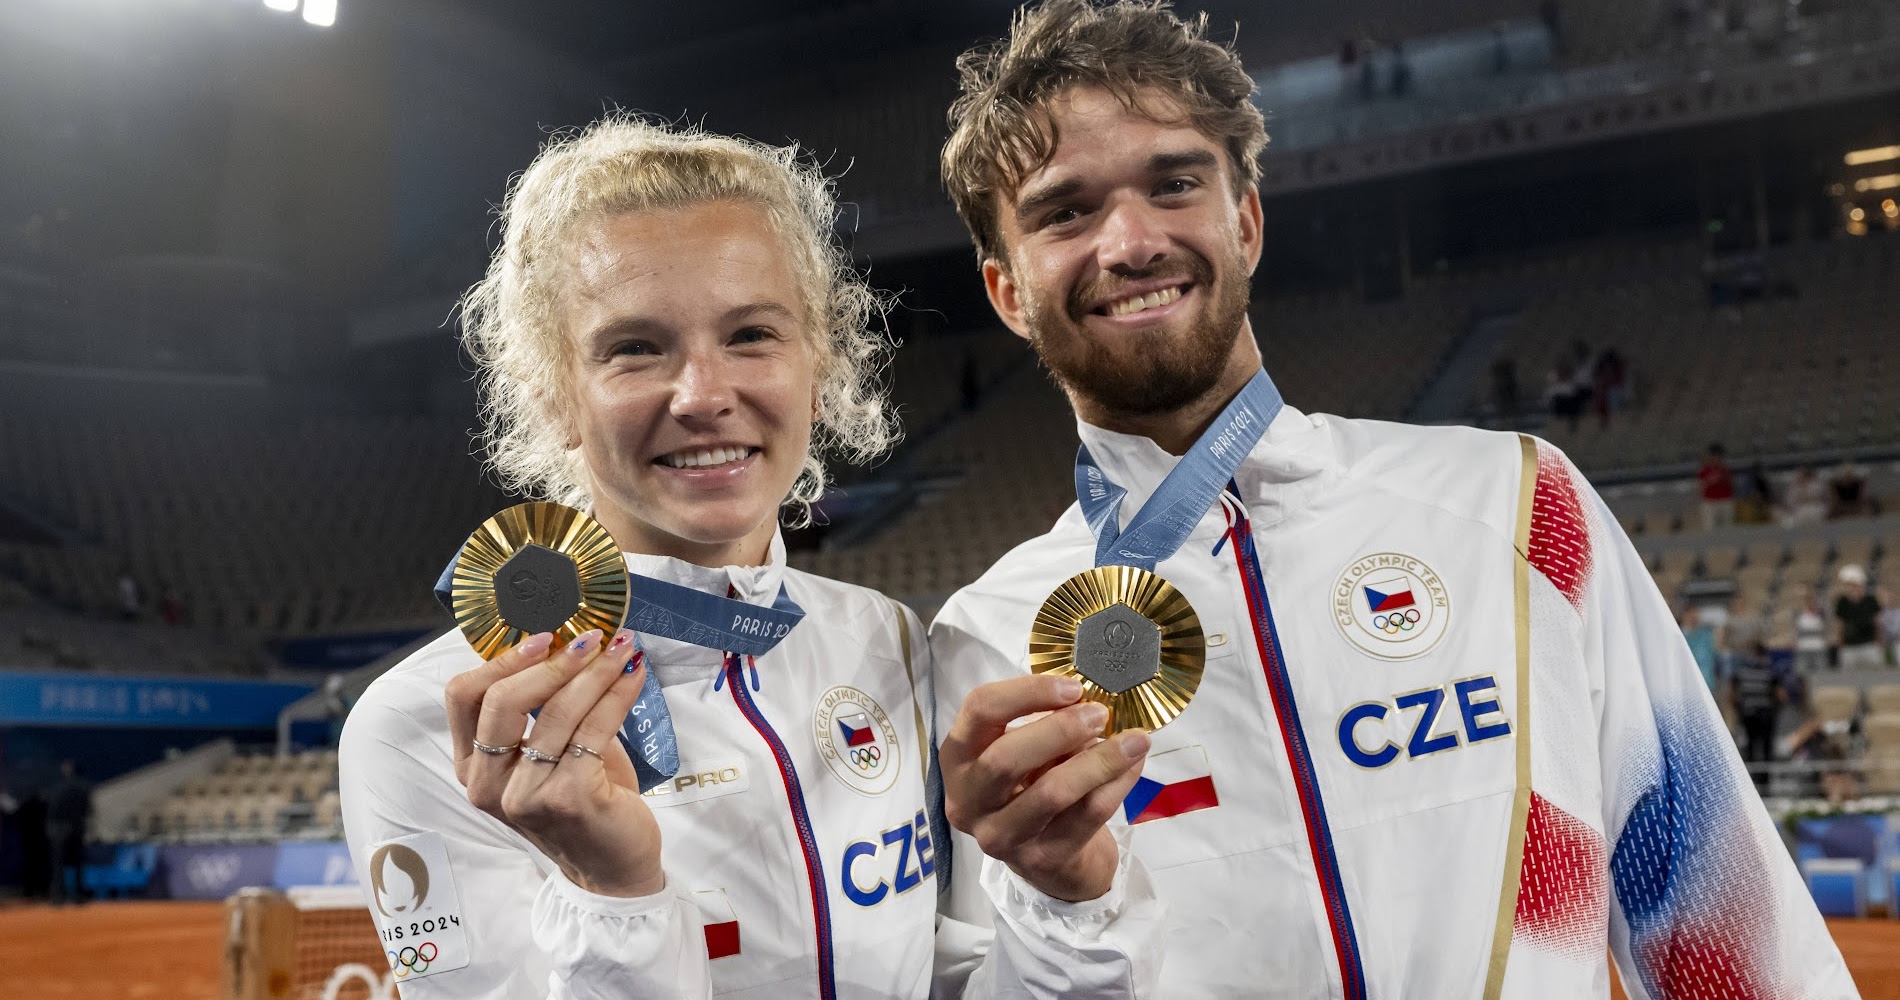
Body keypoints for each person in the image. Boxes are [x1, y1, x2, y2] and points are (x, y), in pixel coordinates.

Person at [930, 2, 1853, 995]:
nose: (1130, 240)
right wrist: (1065, 906)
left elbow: (1715, 915)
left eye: (1174, 182)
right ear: (1006, 290)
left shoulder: (1516, 505)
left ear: (1243, 221)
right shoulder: (987, 642)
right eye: (1065, 211)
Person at [338, 117, 1161, 999]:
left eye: (752, 336)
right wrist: (614, 900)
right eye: (634, 349)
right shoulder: (421, 727)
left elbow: (955, 978)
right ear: (554, 395)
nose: (702, 395)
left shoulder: (887, 642)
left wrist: (1069, 903)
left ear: (819, 363)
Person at [1727, 640, 1786, 792]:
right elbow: (1780, 694)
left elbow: (1733, 693)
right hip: (1765, 714)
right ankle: (1765, 786)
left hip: (1748, 714)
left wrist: (1738, 708)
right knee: (1766, 749)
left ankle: (1752, 785)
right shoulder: (1771, 668)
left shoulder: (1742, 669)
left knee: (1751, 749)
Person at [46, 760, 92, 904]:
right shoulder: (83, 788)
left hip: (59, 830)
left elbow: (52, 810)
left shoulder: (57, 788)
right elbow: (87, 810)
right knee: (77, 864)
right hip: (76, 829)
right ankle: (78, 895)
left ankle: (58, 896)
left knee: (58, 865)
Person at [1833, 564, 1883, 670]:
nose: (1848, 588)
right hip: (1849, 647)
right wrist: (1841, 646)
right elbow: (1840, 625)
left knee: (1875, 677)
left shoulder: (1870, 600)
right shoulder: (1842, 602)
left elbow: (1877, 623)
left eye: (1850, 584)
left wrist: (1878, 643)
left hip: (1869, 645)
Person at [1793, 584, 1830, 675]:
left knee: (1821, 675)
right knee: (1802, 676)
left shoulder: (1822, 613)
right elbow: (1795, 632)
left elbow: (1828, 629)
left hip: (1818, 649)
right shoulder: (1798, 613)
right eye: (1805, 598)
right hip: (1803, 649)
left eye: (1810, 598)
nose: (1808, 600)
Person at [1696, 443, 1735, 530]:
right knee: (1710, 528)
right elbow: (1700, 487)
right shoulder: (1704, 471)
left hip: (1725, 501)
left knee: (1727, 528)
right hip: (1710, 502)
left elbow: (1731, 485)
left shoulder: (1725, 469)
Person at [1681, 604, 1718, 692]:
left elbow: (1715, 649)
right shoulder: (1679, 634)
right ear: (1685, 615)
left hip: (1706, 678)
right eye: (1692, 613)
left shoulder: (1706, 634)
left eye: (1696, 613)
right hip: (1686, 677)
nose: (1694, 616)